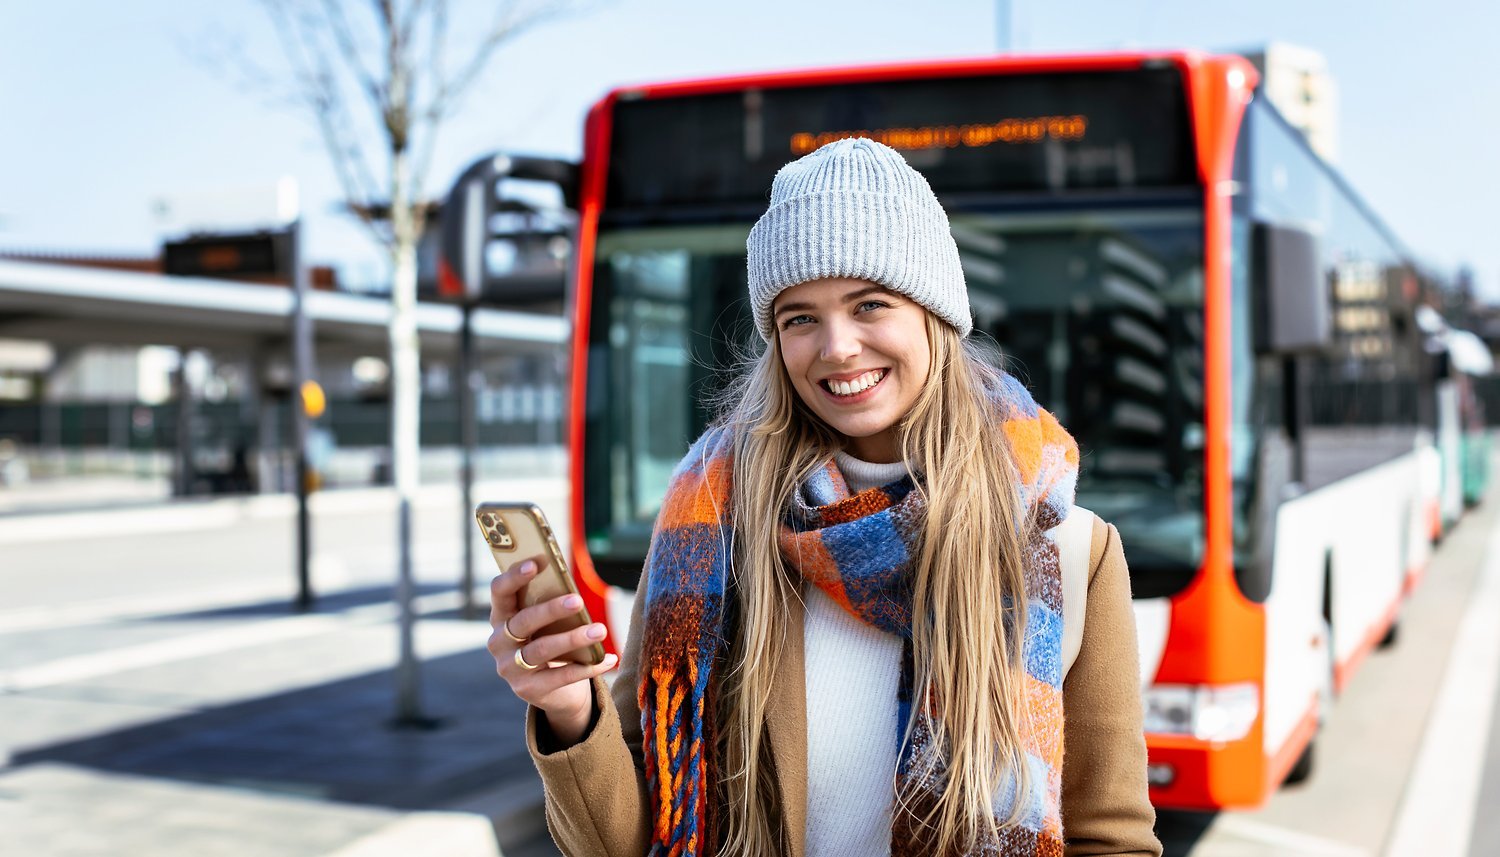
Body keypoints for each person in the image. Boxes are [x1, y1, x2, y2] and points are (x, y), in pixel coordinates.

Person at [489, 137, 1161, 857]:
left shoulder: (1066, 546)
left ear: (934, 313)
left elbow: (1109, 836)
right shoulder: (709, 525)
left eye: (869, 303)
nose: (836, 347)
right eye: (799, 317)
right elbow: (622, 841)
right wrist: (567, 709)